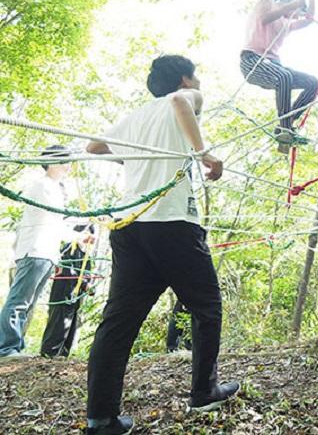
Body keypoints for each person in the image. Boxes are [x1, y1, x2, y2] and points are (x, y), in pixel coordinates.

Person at [84, 55, 238, 435]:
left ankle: (100, 418)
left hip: (131, 226)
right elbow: (180, 103)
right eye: (195, 75)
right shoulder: (185, 96)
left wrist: (140, 164)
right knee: (207, 308)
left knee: (118, 323)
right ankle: (204, 391)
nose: (197, 82)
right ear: (185, 78)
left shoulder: (135, 117)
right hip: (171, 224)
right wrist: (206, 155)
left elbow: (94, 146)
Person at [0, 145, 73, 360]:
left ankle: (14, 346)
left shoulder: (55, 188)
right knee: (19, 300)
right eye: (67, 161)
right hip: (35, 250)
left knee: (29, 302)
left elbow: (56, 222)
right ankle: (5, 347)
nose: (70, 166)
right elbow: (54, 217)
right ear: (54, 162)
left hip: (46, 252)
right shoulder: (42, 186)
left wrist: (78, 236)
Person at [240, 0, 318, 153]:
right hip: (253, 61)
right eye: (299, 9)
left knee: (314, 83)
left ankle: (286, 125)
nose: (299, 14)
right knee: (284, 76)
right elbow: (264, 18)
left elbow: (309, 20)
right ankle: (285, 129)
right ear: (289, 1)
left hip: (273, 65)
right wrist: (295, 4)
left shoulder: (287, 23)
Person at [40, 225, 95, 358]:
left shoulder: (86, 254)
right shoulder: (70, 248)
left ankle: (63, 353)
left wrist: (89, 286)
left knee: (70, 325)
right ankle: (49, 353)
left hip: (75, 297)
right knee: (58, 323)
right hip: (63, 292)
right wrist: (84, 284)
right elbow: (66, 269)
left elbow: (86, 274)